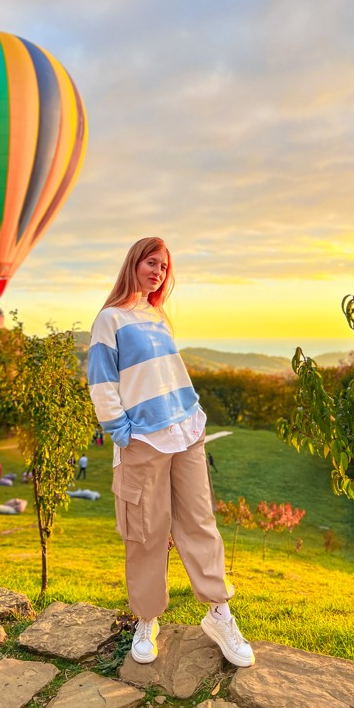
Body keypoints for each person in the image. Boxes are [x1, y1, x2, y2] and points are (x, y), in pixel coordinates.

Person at [87, 237, 254, 668]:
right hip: (143, 440)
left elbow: (166, 373)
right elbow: (102, 383)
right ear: (134, 264)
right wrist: (123, 433)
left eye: (164, 266)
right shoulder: (110, 319)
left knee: (200, 523)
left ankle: (219, 613)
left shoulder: (159, 316)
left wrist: (192, 414)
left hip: (186, 432)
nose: (159, 271)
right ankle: (146, 618)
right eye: (151, 262)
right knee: (145, 531)